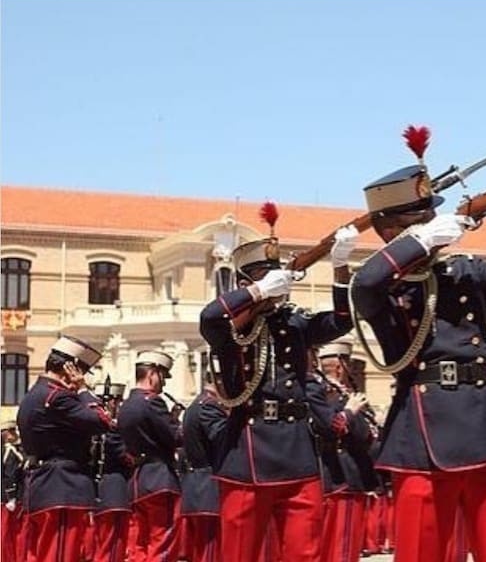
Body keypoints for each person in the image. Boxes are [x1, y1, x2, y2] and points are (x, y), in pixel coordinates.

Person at [349, 128, 486, 561]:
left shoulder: (465, 271)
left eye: (431, 220)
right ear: (391, 231)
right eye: (417, 222)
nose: (431, 227)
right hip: (423, 434)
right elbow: (364, 284)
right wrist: (421, 242)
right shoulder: (387, 288)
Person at [199, 204, 361, 562]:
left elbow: (341, 321)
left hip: (297, 450)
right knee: (240, 553)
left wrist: (340, 266)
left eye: (278, 278)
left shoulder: (295, 322)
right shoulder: (231, 329)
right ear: (245, 282)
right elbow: (210, 315)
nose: (279, 285)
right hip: (248, 448)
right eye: (264, 277)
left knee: (304, 552)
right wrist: (257, 294)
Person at [16, 335, 112, 562]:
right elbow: (102, 421)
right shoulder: (58, 397)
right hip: (62, 485)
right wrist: (82, 390)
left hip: (44, 482)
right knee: (60, 554)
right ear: (71, 369)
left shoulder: (35, 394)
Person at [316, 339, 379, 562]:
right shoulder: (337, 397)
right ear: (341, 366)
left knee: (328, 544)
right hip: (346, 474)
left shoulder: (327, 393)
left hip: (335, 476)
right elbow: (364, 435)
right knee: (343, 545)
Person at [117, 350, 183, 562]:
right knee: (162, 539)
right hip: (158, 478)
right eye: (162, 377)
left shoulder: (126, 405)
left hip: (138, 479)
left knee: (139, 542)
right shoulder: (152, 401)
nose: (163, 385)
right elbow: (175, 437)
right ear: (153, 374)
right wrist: (181, 421)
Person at [179, 369, 228, 562]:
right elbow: (222, 441)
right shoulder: (209, 407)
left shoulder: (195, 405)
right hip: (209, 486)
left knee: (200, 551)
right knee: (211, 551)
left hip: (197, 485)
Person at [93, 381, 134, 562]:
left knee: (102, 543)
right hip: (114, 488)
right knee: (113, 542)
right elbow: (127, 457)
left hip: (97, 487)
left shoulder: (90, 427)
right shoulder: (114, 430)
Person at [1, 421, 24, 562]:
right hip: (9, 498)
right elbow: (11, 475)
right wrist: (12, 497)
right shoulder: (10, 450)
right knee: (10, 532)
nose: (15, 434)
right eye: (12, 431)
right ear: (6, 433)